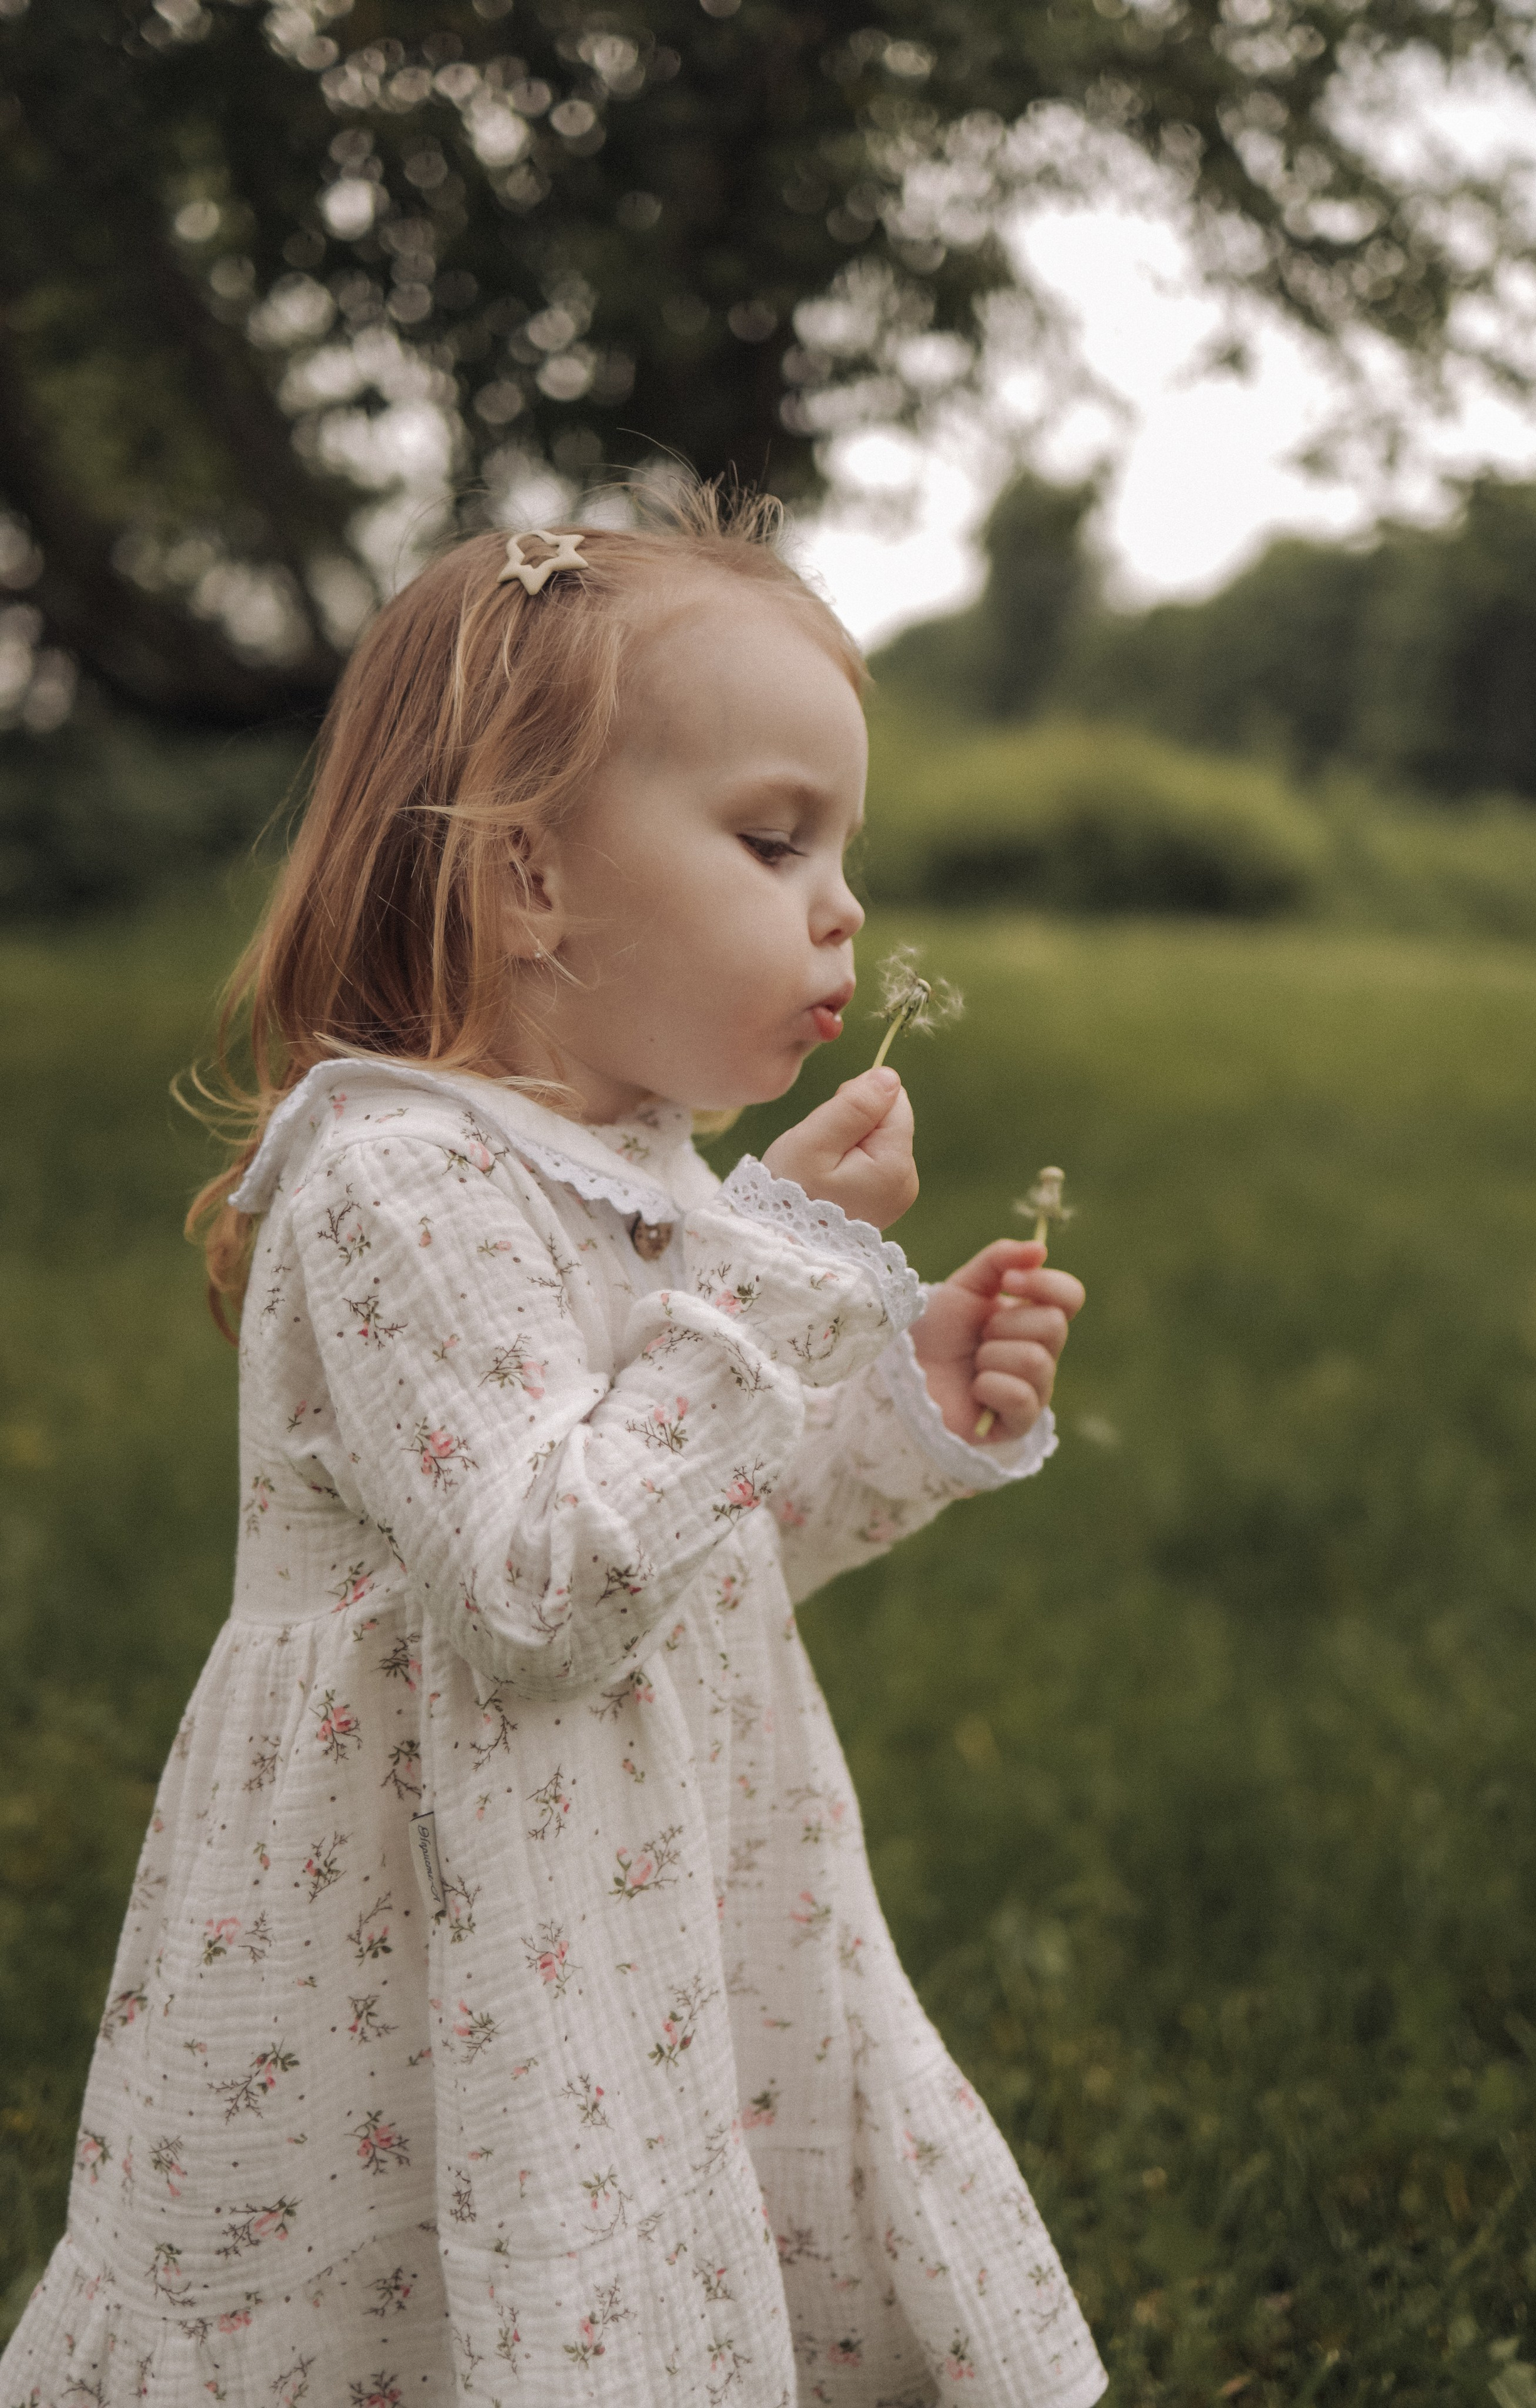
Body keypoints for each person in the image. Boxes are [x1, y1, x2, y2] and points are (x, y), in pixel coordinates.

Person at [1, 490, 1105, 2407]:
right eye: (775, 840)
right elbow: (541, 1593)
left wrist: (906, 1398)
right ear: (527, 882)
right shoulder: (399, 1177)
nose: (842, 905)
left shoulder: (656, 1172)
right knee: (415, 2299)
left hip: (636, 1907)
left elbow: (699, 1555)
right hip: (418, 1920)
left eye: (845, 848)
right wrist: (767, 1277)